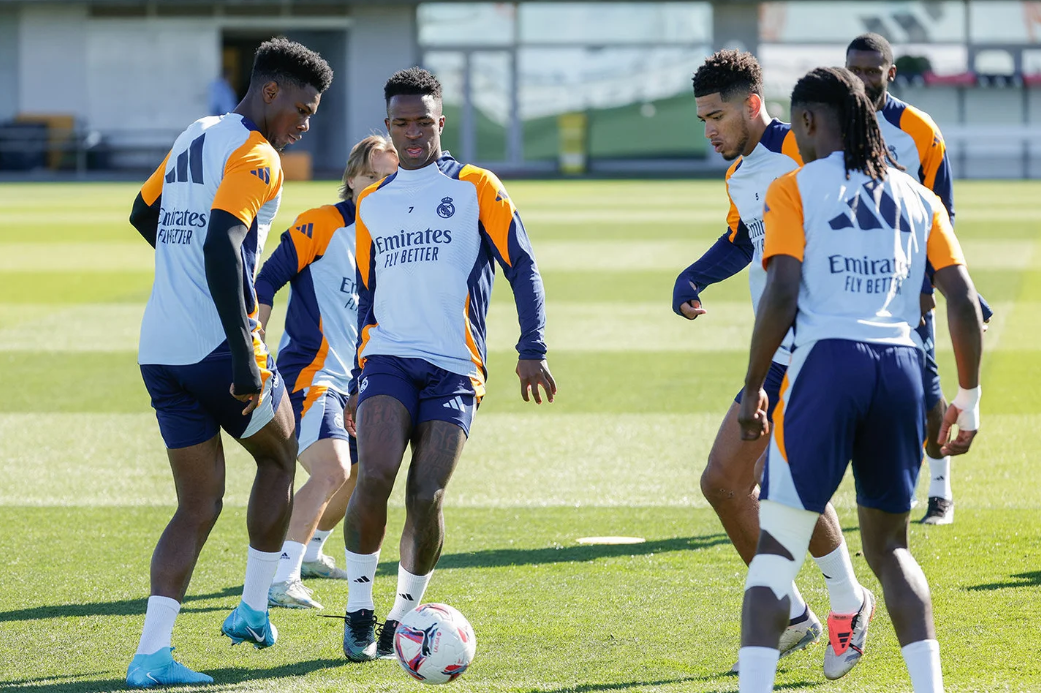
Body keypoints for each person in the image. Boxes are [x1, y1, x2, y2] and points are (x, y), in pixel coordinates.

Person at [736, 66, 983, 693]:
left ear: (812, 121)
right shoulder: (917, 197)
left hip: (827, 367)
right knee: (892, 550)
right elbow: (959, 298)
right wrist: (964, 401)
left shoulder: (794, 188)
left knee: (774, 554)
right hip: (900, 369)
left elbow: (783, 290)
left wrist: (752, 386)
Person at [124, 38, 333, 688]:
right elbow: (223, 241)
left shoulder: (197, 131)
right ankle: (250, 607)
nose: (304, 124)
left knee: (198, 503)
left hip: (159, 348)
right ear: (270, 90)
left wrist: (180, 270)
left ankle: (150, 655)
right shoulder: (257, 154)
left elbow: (143, 212)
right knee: (279, 454)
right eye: (301, 108)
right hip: (217, 349)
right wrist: (244, 358)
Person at [339, 67, 556, 662]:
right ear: (388, 126)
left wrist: (531, 347)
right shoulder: (372, 205)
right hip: (387, 360)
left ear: (441, 122)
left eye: (424, 122)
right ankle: (359, 610)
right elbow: (366, 296)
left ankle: (402, 617)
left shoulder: (476, 186)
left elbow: (523, 266)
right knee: (374, 474)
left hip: (455, 369)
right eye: (402, 123)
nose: (413, 133)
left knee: (426, 496)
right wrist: (359, 379)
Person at [673, 49, 872, 679]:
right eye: (702, 118)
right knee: (725, 484)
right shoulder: (740, 173)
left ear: (754, 105)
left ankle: (847, 601)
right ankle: (793, 614)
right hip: (779, 351)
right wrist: (692, 276)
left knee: (786, 486)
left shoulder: (804, 153)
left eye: (717, 115)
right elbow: (742, 238)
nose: (709, 129)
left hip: (818, 346)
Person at [846, 33, 993, 525]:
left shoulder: (918, 129)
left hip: (911, 280)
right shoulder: (833, 123)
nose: (863, 80)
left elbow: (941, 213)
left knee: (926, 386)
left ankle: (940, 491)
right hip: (854, 277)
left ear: (890, 73)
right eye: (855, 70)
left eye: (872, 71)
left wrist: (929, 284)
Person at [255, 135, 399, 609]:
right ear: (351, 178)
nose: (379, 185)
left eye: (388, 177)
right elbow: (266, 281)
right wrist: (253, 351)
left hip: (357, 382)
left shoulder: (390, 242)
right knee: (332, 468)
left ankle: (312, 551)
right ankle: (281, 577)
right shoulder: (320, 224)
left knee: (362, 472)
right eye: (371, 176)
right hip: (310, 373)